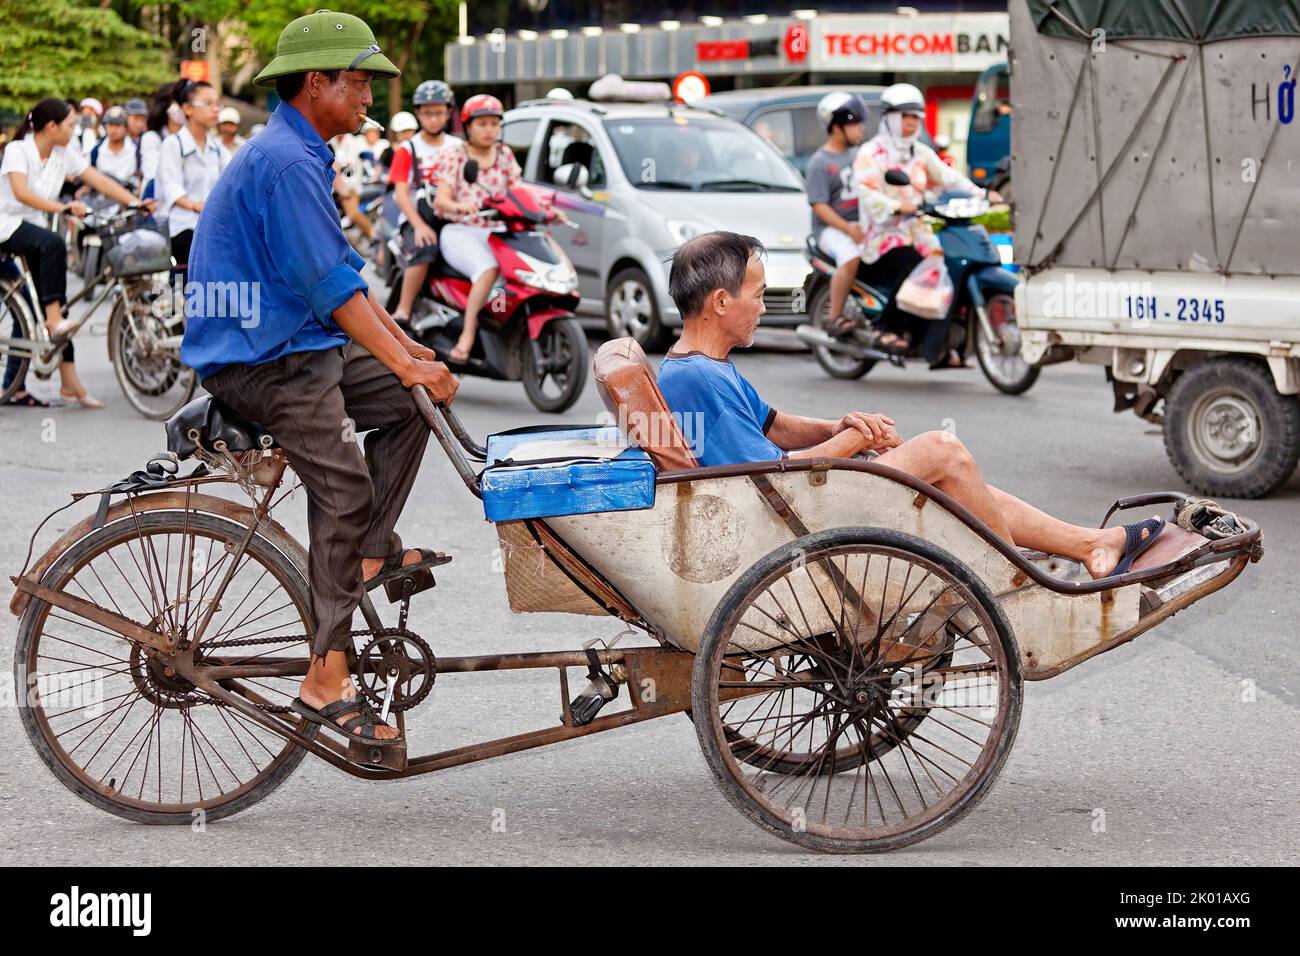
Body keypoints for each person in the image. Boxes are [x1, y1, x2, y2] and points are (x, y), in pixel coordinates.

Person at [180, 10, 459, 745]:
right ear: (316, 83)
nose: (370, 98)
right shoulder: (284, 160)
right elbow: (330, 291)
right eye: (359, 82)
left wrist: (414, 361)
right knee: (343, 488)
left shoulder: (302, 151)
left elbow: (345, 283)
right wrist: (407, 360)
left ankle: (365, 554)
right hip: (260, 359)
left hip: (298, 341)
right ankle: (324, 678)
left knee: (411, 402)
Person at [655, 231, 1172, 579]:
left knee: (953, 478)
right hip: (788, 516)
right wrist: (855, 441)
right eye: (759, 295)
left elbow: (776, 426)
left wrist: (842, 424)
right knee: (943, 451)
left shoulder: (702, 364)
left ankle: (1089, 545)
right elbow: (774, 472)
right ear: (721, 302)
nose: (764, 307)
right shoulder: (699, 376)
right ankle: (1015, 574)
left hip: (790, 500)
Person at [0, 98, 151, 408]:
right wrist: (63, 207)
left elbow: (99, 180)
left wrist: (134, 202)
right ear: (51, 126)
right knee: (54, 244)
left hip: (35, 229)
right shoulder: (19, 150)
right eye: (70, 124)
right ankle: (53, 321)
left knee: (56, 306)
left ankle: (68, 384)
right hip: (7, 224)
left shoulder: (63, 153)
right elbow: (20, 192)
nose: (75, 129)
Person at [852, 83, 998, 368]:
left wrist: (981, 193)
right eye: (905, 117)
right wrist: (895, 206)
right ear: (891, 118)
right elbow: (867, 193)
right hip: (882, 232)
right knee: (914, 263)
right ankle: (887, 326)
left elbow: (948, 177)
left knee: (943, 264)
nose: (911, 123)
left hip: (916, 229)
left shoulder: (920, 153)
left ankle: (934, 341)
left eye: (916, 118)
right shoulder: (871, 153)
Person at [806, 92, 877, 343]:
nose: (861, 129)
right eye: (854, 123)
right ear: (836, 127)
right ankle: (834, 316)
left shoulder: (862, 155)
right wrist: (848, 228)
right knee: (850, 257)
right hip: (830, 229)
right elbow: (819, 206)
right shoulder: (820, 162)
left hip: (862, 225)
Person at [388, 80, 460, 324]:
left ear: (448, 112)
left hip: (453, 216)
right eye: (427, 113)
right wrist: (418, 225)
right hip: (416, 217)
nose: (433, 119)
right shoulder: (408, 149)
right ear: (418, 113)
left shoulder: (458, 147)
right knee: (426, 247)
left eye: (439, 113)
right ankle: (404, 309)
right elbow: (400, 193)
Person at [157, 79, 229, 284]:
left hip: (211, 224)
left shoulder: (217, 148)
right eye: (207, 104)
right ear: (187, 109)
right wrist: (198, 206)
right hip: (182, 225)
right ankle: (182, 309)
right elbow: (172, 189)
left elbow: (232, 180)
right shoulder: (173, 144)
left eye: (217, 104)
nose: (215, 109)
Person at [140, 81, 186, 203]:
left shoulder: (191, 139)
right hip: (157, 204)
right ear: (167, 107)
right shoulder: (152, 138)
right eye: (179, 102)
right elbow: (153, 174)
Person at [330, 127, 375, 245]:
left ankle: (373, 236)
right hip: (332, 188)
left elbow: (349, 169)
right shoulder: (330, 141)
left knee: (353, 214)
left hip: (349, 187)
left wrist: (344, 190)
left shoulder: (353, 142)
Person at [88, 106, 143, 192]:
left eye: (117, 125)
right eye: (110, 125)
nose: (113, 130)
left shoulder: (136, 151)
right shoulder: (97, 151)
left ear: (126, 127)